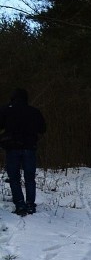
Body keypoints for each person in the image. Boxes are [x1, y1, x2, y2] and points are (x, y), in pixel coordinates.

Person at [0, 88, 47, 216]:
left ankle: (20, 204)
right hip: (29, 148)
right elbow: (43, 128)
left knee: (14, 178)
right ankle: (30, 205)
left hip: (12, 149)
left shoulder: (5, 110)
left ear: (13, 97)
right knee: (29, 178)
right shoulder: (34, 112)